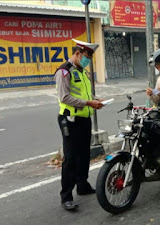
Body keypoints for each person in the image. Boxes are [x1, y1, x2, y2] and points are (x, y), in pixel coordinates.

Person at [54, 39, 104, 211]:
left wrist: (95, 100)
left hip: (84, 119)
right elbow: (64, 97)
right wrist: (89, 103)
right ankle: (66, 196)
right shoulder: (64, 72)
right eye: (86, 57)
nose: (87, 60)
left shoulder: (82, 72)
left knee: (84, 154)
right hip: (70, 120)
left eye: (89, 58)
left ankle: (82, 185)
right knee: (70, 158)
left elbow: (85, 93)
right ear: (77, 53)